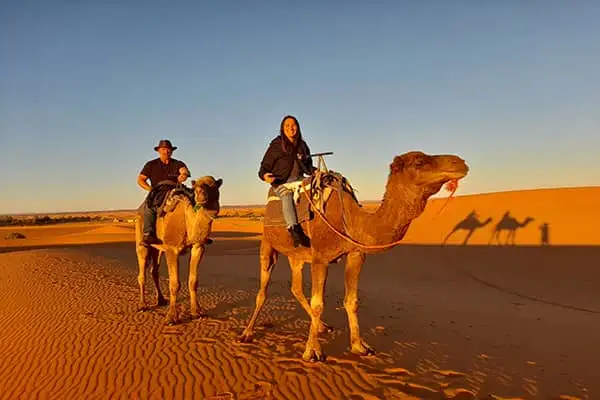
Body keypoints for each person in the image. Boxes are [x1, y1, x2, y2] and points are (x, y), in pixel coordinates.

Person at [137, 139, 212, 246]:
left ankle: (201, 233)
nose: (166, 152)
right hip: (158, 190)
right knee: (149, 206)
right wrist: (150, 189)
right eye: (163, 149)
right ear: (159, 151)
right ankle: (148, 234)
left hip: (177, 188)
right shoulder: (150, 164)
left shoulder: (178, 163)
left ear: (171, 151)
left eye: (168, 150)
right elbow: (140, 179)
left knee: (197, 202)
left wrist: (183, 175)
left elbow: (184, 170)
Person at [258, 115, 316, 247]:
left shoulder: (302, 145)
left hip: (299, 179)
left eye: (293, 125)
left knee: (317, 187)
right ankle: (294, 230)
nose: (291, 128)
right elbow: (264, 167)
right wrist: (265, 176)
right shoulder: (277, 145)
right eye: (287, 126)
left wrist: (315, 171)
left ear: (298, 127)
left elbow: (308, 167)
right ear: (282, 129)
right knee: (286, 195)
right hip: (280, 182)